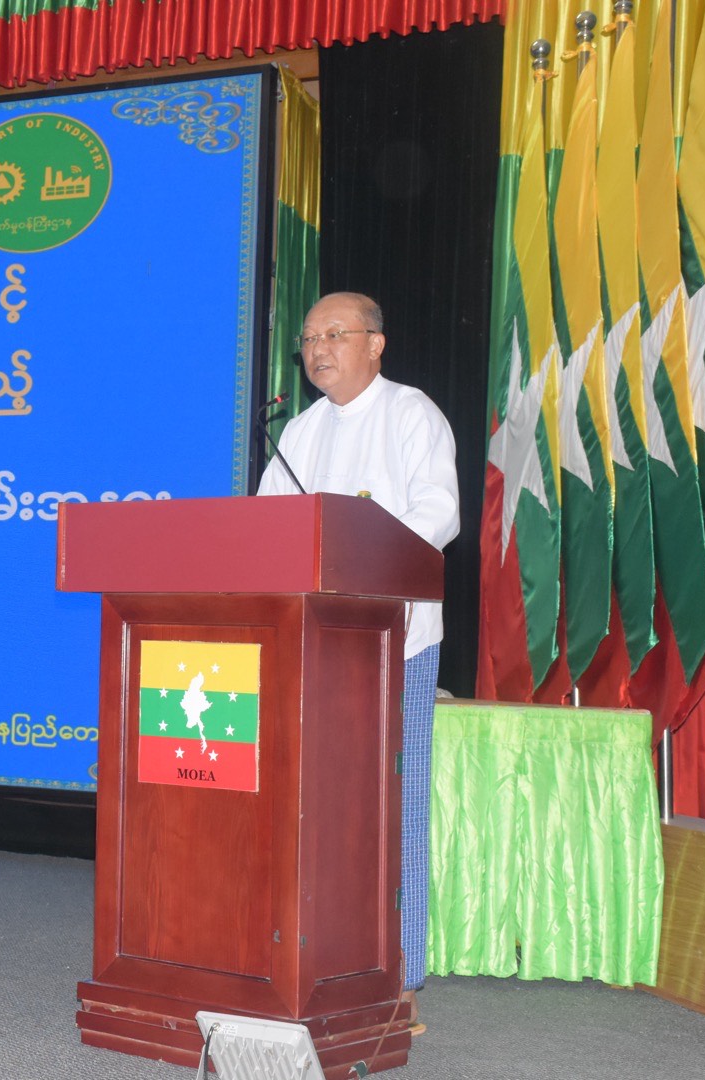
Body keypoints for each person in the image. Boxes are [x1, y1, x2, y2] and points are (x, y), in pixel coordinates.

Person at [256, 291, 459, 1027]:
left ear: (376, 344)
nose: (317, 348)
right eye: (309, 337)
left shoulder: (411, 413)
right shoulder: (300, 432)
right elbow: (265, 532)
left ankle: (400, 969)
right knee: (318, 808)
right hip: (311, 647)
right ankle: (319, 958)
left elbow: (439, 512)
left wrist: (359, 554)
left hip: (392, 644)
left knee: (391, 807)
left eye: (335, 334)